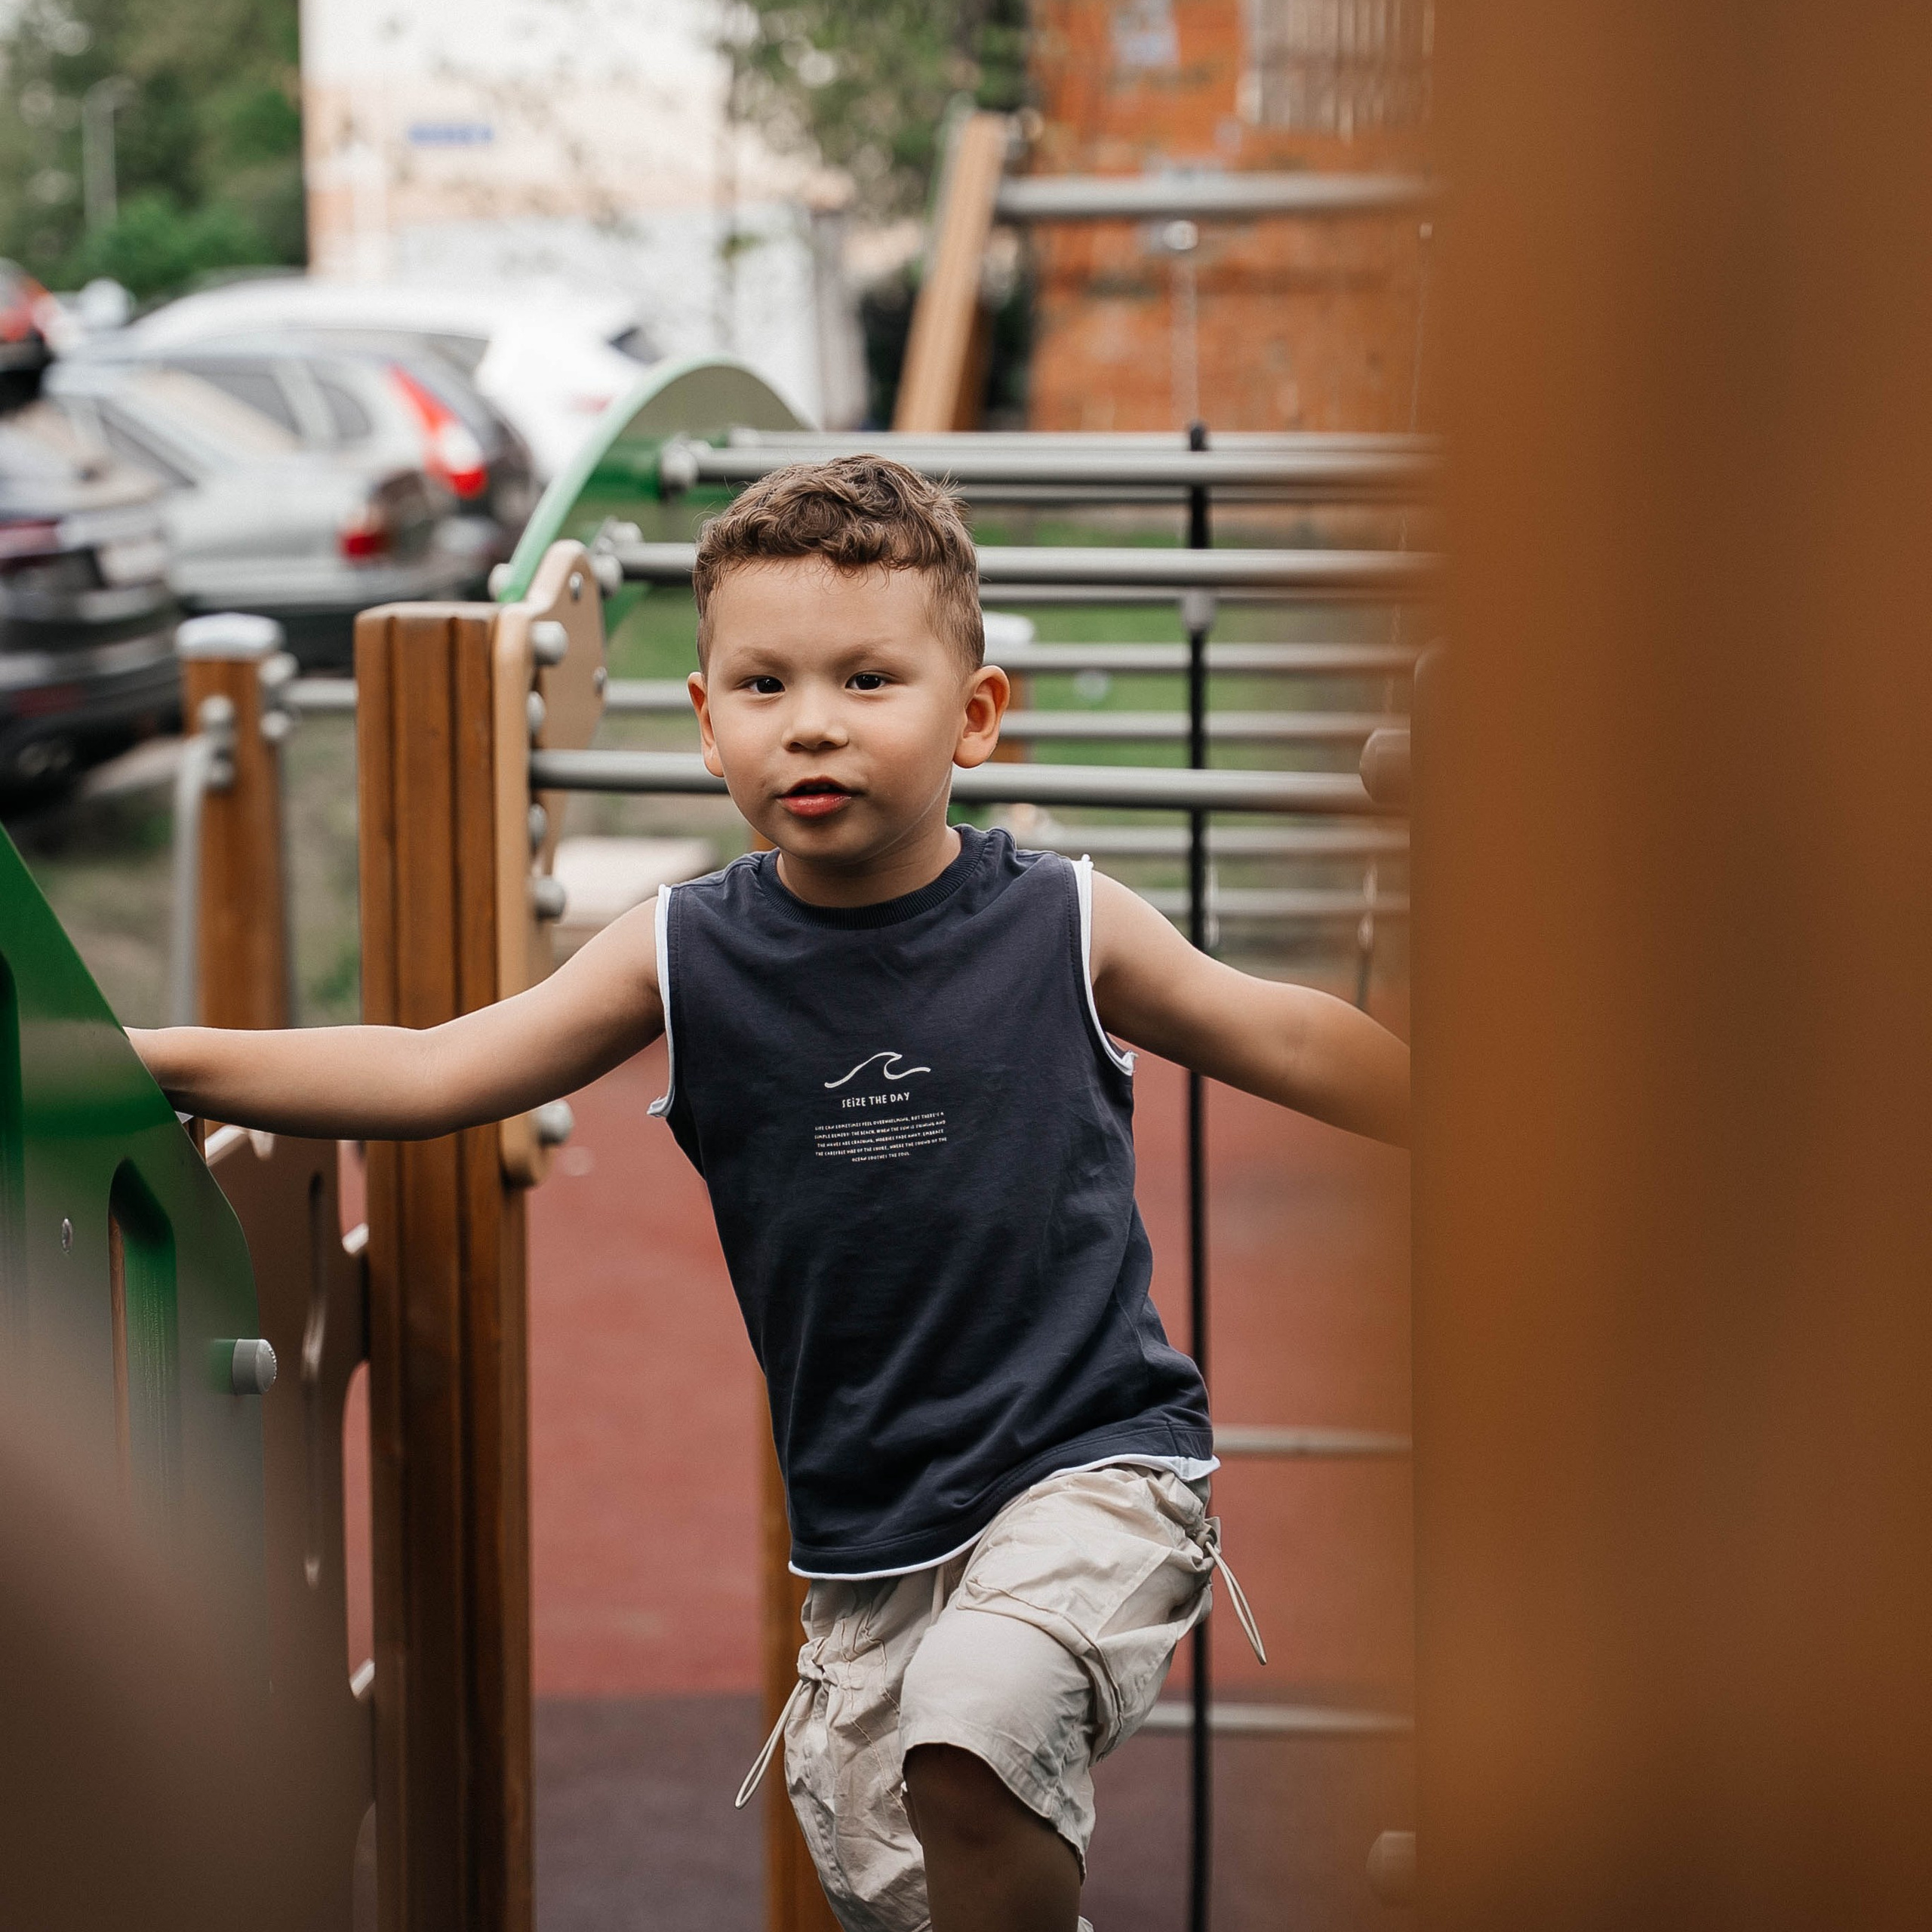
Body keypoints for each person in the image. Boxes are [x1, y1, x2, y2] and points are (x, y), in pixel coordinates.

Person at [132, 457, 1409, 1932]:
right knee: (900, 1870)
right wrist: (157, 1057)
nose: (809, 719)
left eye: (867, 678)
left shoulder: (1061, 919)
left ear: (972, 714)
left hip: (1093, 1461)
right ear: (704, 722)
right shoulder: (680, 950)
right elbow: (435, 1069)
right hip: (866, 1534)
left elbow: (1280, 1026)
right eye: (762, 683)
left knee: (975, 1728)